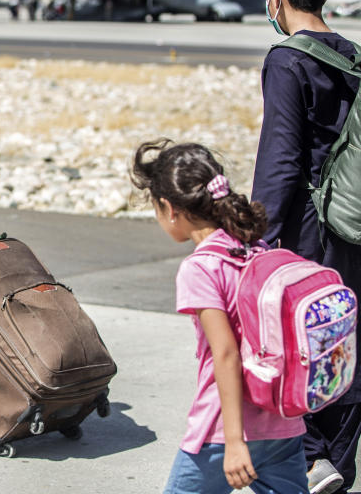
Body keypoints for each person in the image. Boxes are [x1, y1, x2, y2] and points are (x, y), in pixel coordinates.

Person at [131, 140, 309, 494]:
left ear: (169, 208)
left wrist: (234, 442)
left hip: (222, 431)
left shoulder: (201, 268)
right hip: (283, 423)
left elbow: (226, 354)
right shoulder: (254, 249)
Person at [251, 0, 361, 494]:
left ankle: (313, 463)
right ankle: (339, 460)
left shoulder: (287, 59)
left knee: (301, 343)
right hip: (354, 227)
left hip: (308, 232)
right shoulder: (353, 56)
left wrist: (257, 239)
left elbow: (281, 159)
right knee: (344, 342)